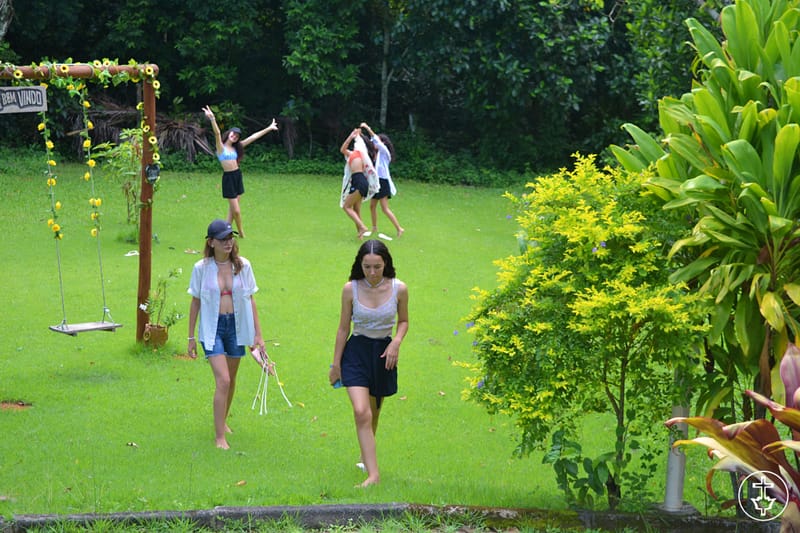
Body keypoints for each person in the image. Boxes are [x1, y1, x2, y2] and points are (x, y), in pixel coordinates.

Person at [329, 239, 409, 486]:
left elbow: (404, 321)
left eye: (377, 267)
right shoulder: (349, 289)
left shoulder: (399, 289)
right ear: (359, 265)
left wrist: (396, 341)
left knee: (373, 414)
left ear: (386, 264)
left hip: (384, 354)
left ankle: (367, 458)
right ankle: (374, 476)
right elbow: (343, 328)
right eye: (367, 267)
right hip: (356, 352)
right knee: (361, 411)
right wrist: (336, 364)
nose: (372, 273)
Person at [187, 219, 266, 449]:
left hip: (237, 327)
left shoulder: (243, 265)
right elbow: (195, 302)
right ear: (211, 242)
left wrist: (258, 336)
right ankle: (219, 437)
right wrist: (191, 337)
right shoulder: (201, 268)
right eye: (222, 239)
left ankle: (222, 421)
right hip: (212, 328)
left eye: (230, 238)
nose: (228, 242)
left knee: (231, 381)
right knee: (223, 380)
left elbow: (250, 300)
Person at [202, 105, 278, 238]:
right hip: (228, 178)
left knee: (233, 209)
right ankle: (241, 233)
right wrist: (212, 118)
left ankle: (225, 231)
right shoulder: (221, 148)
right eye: (233, 134)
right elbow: (217, 133)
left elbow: (253, 137)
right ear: (229, 133)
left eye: (237, 136)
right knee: (236, 210)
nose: (235, 136)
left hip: (237, 176)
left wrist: (269, 128)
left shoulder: (237, 148)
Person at [360, 122, 404, 238]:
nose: (374, 142)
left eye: (377, 141)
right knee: (372, 206)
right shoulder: (376, 155)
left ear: (383, 143)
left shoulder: (385, 153)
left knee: (384, 208)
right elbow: (369, 143)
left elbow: (376, 140)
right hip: (376, 182)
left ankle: (399, 228)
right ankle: (374, 228)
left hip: (383, 182)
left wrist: (367, 127)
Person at [339, 128, 379, 240]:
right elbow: (343, 149)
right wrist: (351, 136)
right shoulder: (356, 155)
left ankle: (362, 227)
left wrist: (353, 137)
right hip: (362, 183)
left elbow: (343, 149)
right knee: (356, 209)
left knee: (346, 207)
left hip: (358, 182)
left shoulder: (358, 154)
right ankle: (360, 235)